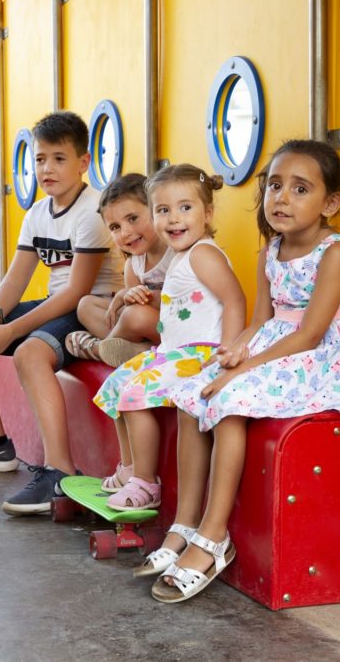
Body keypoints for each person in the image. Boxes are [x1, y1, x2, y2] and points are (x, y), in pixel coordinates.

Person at [152, 139, 340, 603]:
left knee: (229, 402)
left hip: (332, 357)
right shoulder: (270, 250)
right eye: (274, 186)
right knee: (193, 394)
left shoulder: (338, 254)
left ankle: (213, 536)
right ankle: (184, 523)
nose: (282, 198)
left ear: (330, 203)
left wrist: (237, 377)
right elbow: (262, 320)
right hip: (280, 345)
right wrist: (231, 353)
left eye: (300, 189)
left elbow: (309, 334)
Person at [0, 111, 124, 515]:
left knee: (29, 352)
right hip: (56, 306)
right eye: (40, 159)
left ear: (83, 162)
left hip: (92, 309)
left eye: (58, 158)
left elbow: (75, 292)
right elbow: (16, 277)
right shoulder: (39, 213)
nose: (47, 168)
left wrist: (11, 331)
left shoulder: (93, 210)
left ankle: (59, 473)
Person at [90, 164, 245, 522]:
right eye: (163, 211)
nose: (174, 219)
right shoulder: (180, 256)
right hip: (173, 351)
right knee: (116, 385)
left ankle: (146, 483)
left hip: (203, 353)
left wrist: (227, 354)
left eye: (185, 208)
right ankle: (129, 467)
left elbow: (235, 300)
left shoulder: (204, 254)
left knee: (135, 395)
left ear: (207, 214)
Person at [64, 173, 172, 368]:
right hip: (150, 328)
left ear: (156, 209)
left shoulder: (175, 252)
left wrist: (132, 297)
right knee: (86, 306)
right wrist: (126, 295)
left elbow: (181, 302)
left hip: (178, 328)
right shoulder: (134, 264)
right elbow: (134, 304)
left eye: (133, 218)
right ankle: (135, 350)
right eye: (115, 227)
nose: (126, 233)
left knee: (135, 316)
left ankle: (101, 349)